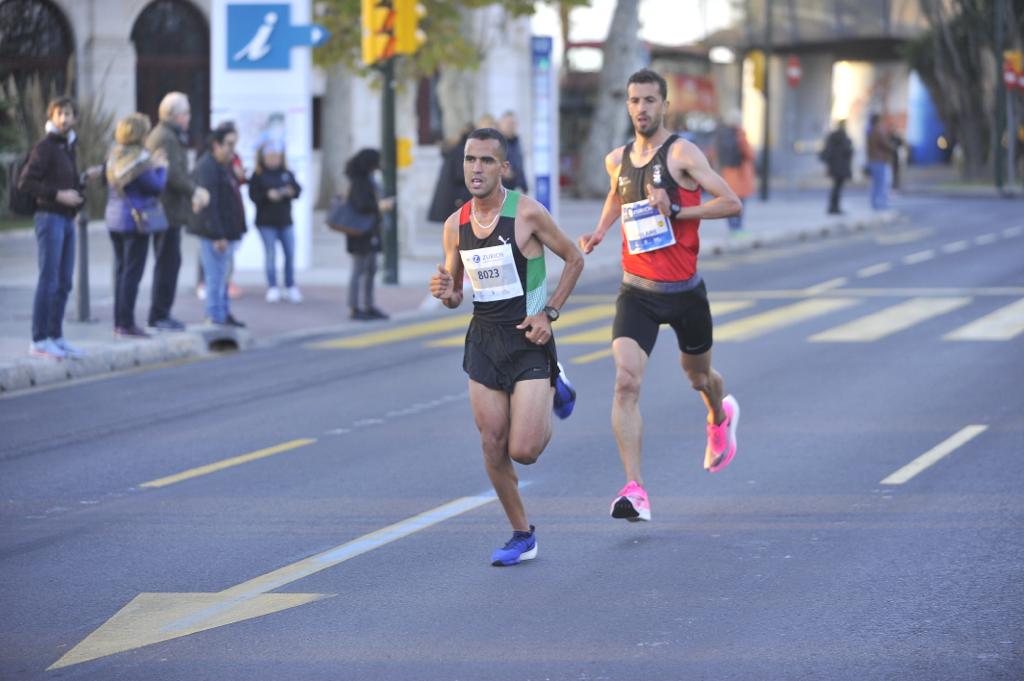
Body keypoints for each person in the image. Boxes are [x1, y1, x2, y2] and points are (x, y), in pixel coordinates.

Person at [577, 68, 742, 523]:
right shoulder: (617, 158)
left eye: (650, 100)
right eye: (634, 100)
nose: (642, 109)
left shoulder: (683, 153)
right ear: (626, 105)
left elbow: (731, 203)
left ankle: (718, 417)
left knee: (700, 379)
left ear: (664, 104)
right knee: (625, 381)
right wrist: (600, 230)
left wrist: (680, 211)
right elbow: (618, 195)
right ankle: (635, 490)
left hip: (685, 292)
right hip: (638, 292)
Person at [429, 128, 583, 566]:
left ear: (504, 168)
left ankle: (555, 385)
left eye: (486, 161)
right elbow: (456, 293)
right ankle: (521, 534)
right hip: (484, 341)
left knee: (524, 451)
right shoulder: (455, 225)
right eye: (469, 160)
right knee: (492, 443)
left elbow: (574, 258)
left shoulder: (528, 214)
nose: (476, 169)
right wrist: (445, 291)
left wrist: (549, 313)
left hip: (530, 340)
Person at [18, 96, 96, 359]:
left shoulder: (68, 147)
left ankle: (55, 336)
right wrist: (58, 195)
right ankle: (39, 339)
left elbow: (69, 184)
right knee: (49, 280)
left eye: (68, 114)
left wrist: (82, 183)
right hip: (49, 217)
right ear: (52, 117)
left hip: (66, 219)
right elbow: (26, 183)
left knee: (64, 282)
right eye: (59, 114)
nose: (63, 118)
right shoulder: (45, 146)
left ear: (75, 118)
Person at [145, 92, 206, 331]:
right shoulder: (165, 137)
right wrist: (194, 191)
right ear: (174, 115)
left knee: (171, 261)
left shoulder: (171, 136)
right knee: (166, 263)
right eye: (186, 113)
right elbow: (171, 174)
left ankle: (163, 312)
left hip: (170, 211)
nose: (189, 118)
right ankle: (159, 315)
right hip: (164, 211)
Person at [104, 113, 168, 338]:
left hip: (114, 219)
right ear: (140, 134)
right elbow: (156, 186)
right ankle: (126, 323)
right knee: (132, 275)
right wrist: (162, 167)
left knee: (121, 272)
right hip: (135, 221)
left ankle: (118, 322)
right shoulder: (140, 160)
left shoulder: (114, 156)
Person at [189, 124, 246, 327]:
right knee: (215, 277)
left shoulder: (224, 165)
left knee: (223, 276)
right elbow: (209, 205)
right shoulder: (207, 167)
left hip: (226, 231)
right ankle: (214, 318)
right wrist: (217, 235)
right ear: (216, 145)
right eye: (229, 144)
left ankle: (223, 313)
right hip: (214, 233)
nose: (232, 149)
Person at [249, 140, 302, 303]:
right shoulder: (258, 175)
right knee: (271, 254)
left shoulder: (286, 173)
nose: (274, 159)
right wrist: (267, 195)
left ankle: (290, 285)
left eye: (276, 156)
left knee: (290, 254)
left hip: (285, 220)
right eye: (270, 156)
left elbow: (298, 190)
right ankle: (272, 286)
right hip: (266, 222)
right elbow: (253, 196)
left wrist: (289, 192)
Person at [344, 148, 392, 320]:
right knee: (359, 269)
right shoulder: (359, 181)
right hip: (360, 232)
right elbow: (361, 205)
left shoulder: (369, 179)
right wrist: (380, 205)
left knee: (371, 269)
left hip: (371, 230)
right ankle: (354, 307)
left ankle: (368, 304)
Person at [712, 109, 755, 233]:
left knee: (729, 200)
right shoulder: (740, 134)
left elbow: (715, 153)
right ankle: (738, 228)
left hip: (727, 173)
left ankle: (731, 227)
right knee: (740, 203)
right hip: (741, 173)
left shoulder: (721, 134)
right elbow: (749, 154)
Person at [427, 124, 473, 224]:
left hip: (450, 200)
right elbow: (461, 177)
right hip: (458, 200)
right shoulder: (460, 150)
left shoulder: (453, 149)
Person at [820, 119, 853, 214]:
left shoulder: (833, 136)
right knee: (837, 187)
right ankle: (835, 207)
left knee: (836, 187)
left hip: (835, 165)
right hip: (841, 165)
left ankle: (834, 206)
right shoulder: (843, 137)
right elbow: (847, 150)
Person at [867, 113, 896, 210]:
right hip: (879, 159)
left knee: (876, 183)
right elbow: (884, 144)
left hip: (873, 159)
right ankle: (880, 204)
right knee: (881, 183)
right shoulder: (877, 131)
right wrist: (893, 147)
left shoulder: (869, 131)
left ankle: (875, 203)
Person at [498, 111, 528, 193]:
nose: (510, 126)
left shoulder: (517, 142)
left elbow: (520, 166)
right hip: (501, 190)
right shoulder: (496, 142)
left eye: (512, 123)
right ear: (501, 125)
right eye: (508, 123)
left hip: (516, 190)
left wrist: (524, 186)